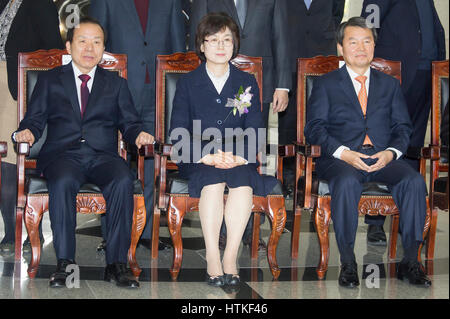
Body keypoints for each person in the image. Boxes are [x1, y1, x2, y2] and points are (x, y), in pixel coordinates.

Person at [13, 17, 154, 288]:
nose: (90, 48)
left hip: (103, 156)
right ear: (69, 46)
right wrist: (27, 132)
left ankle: (117, 264)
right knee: (63, 180)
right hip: (63, 156)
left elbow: (130, 123)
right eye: (83, 41)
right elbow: (34, 119)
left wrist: (139, 135)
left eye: (97, 42)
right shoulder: (51, 80)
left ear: (103, 48)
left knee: (123, 179)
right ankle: (65, 263)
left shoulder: (115, 84)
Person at [304, 17, 431, 288]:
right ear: (341, 47)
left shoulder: (389, 85)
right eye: (353, 42)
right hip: (341, 159)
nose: (361, 48)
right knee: (347, 182)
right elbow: (314, 128)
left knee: (414, 182)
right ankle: (348, 261)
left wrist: (391, 153)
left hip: (382, 156)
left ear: (374, 46)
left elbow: (403, 127)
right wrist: (343, 153)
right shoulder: (326, 84)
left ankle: (410, 260)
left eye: (367, 41)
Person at [170, 12, 278, 287]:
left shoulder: (247, 82)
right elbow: (178, 129)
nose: (220, 46)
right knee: (213, 181)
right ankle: (213, 258)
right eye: (213, 40)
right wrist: (206, 155)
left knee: (242, 182)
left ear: (235, 45)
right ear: (202, 46)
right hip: (199, 157)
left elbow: (255, 127)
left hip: (238, 156)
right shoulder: (187, 83)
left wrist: (238, 155)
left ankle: (230, 257)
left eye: (227, 40)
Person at [189, 0, 291, 251]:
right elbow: (197, 33)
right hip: (213, 75)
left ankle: (244, 230)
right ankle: (220, 230)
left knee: (249, 150)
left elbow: (281, 36)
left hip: (259, 80)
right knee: (216, 151)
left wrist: (282, 84)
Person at [89, 0, 186, 252]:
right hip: (117, 93)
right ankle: (111, 232)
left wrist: (176, 94)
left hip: (158, 95)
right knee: (111, 160)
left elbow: (177, 51)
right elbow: (97, 46)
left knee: (153, 165)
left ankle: (146, 231)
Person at [360, 0, 446, 246]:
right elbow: (369, 25)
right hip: (394, 74)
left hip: (425, 75)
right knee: (382, 141)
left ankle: (406, 215)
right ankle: (375, 219)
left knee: (412, 145)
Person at [0, 0, 63, 254]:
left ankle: (23, 233)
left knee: (12, 163)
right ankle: (11, 231)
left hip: (18, 88)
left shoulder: (40, 3)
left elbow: (55, 54)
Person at [280, 0, 345, 197]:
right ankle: (288, 176)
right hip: (289, 51)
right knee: (289, 120)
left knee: (322, 117)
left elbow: (336, 12)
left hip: (322, 52)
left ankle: (318, 172)